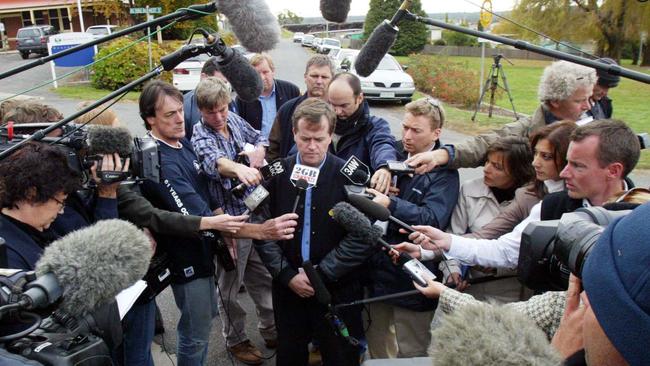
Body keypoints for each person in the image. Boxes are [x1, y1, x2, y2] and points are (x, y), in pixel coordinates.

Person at [396, 119, 640, 273]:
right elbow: (505, 251)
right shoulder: (550, 207)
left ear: (614, 170)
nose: (564, 173)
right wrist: (446, 242)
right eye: (566, 163)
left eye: (578, 166)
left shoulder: (640, 216)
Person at [256, 98, 373, 366]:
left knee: (340, 356)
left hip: (337, 288)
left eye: (319, 139)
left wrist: (321, 274)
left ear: (330, 135)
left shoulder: (351, 177)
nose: (311, 146)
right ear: (294, 133)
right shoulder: (276, 174)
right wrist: (287, 275)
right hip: (289, 289)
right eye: (305, 138)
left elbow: (364, 236)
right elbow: (261, 231)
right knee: (290, 356)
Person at [137, 80, 247, 365]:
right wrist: (259, 231)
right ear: (150, 118)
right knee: (196, 331)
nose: (179, 119)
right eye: (168, 115)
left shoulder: (181, 143)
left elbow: (206, 191)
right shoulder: (159, 160)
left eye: (179, 111)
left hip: (203, 251)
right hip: (186, 256)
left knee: (207, 316)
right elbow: (195, 213)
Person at [363, 97, 459, 359]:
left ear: (436, 133)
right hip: (376, 275)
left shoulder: (445, 174)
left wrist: (390, 203)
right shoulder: (389, 154)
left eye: (416, 130)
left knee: (413, 353)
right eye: (404, 127)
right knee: (377, 350)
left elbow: (432, 219)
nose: (406, 136)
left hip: (414, 281)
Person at [190, 77, 275, 365]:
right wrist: (239, 168)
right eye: (211, 112)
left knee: (263, 277)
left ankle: (271, 328)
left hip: (255, 215)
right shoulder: (200, 135)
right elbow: (216, 163)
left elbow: (259, 136)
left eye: (223, 109)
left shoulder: (235, 120)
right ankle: (236, 340)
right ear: (201, 110)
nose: (218, 117)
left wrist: (259, 151)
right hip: (230, 224)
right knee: (229, 287)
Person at [406, 60, 597, 173]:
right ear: (556, 100)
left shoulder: (594, 126)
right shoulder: (526, 131)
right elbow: (485, 143)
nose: (588, 106)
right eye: (580, 101)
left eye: (590, 99)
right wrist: (442, 155)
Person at [0, 141, 79, 270]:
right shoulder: (8, 257)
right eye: (60, 202)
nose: (61, 211)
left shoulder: (40, 232)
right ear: (32, 194)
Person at [326, 72, 397, 194]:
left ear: (359, 98)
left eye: (344, 105)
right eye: (332, 104)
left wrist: (385, 167)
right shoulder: (322, 123)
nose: (337, 111)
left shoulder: (375, 126)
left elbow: (383, 144)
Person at [448, 136, 534, 235]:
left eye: (497, 167)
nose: (486, 169)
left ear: (518, 172)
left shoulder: (531, 201)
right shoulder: (470, 189)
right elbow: (454, 235)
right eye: (487, 161)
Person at [267, 54, 334, 160]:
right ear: (305, 77)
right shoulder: (287, 110)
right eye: (314, 76)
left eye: (324, 77)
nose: (319, 81)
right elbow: (273, 149)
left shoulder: (338, 112)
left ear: (332, 80)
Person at [235, 53, 300, 138]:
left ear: (273, 71)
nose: (262, 77)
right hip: (256, 148)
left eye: (265, 72)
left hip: (283, 147)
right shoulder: (243, 98)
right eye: (257, 73)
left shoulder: (291, 91)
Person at [183, 57, 235, 141]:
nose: (223, 87)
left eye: (225, 83)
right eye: (219, 82)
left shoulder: (228, 101)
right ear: (204, 77)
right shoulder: (184, 108)